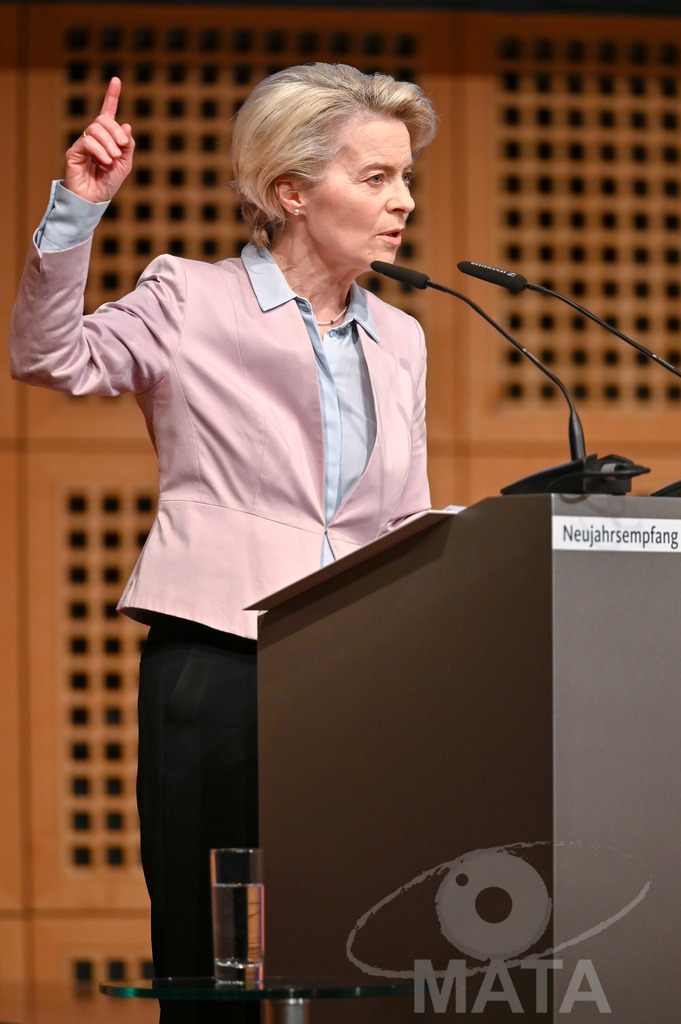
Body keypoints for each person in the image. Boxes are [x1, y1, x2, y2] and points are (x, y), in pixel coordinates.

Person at [10, 62, 438, 1011]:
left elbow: (404, 517)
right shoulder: (189, 297)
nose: (402, 201)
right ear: (290, 192)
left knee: (350, 948)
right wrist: (79, 210)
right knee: (214, 961)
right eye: (375, 177)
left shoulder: (402, 338)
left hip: (356, 671)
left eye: (406, 177)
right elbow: (47, 356)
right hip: (218, 658)